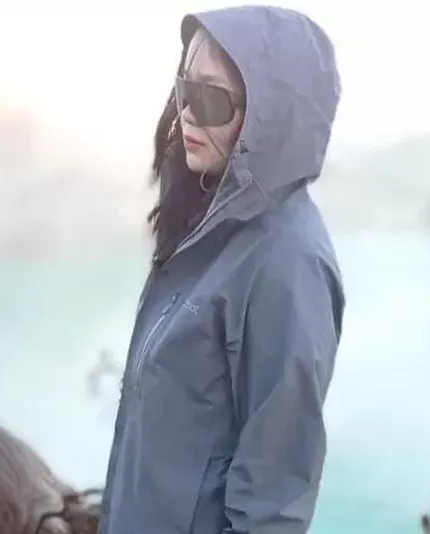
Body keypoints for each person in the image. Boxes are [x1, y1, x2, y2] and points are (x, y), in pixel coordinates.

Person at [99, 5, 344, 534]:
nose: (188, 113)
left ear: (269, 117)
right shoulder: (206, 229)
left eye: (211, 99)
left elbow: (272, 508)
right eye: (185, 90)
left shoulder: (288, 266)